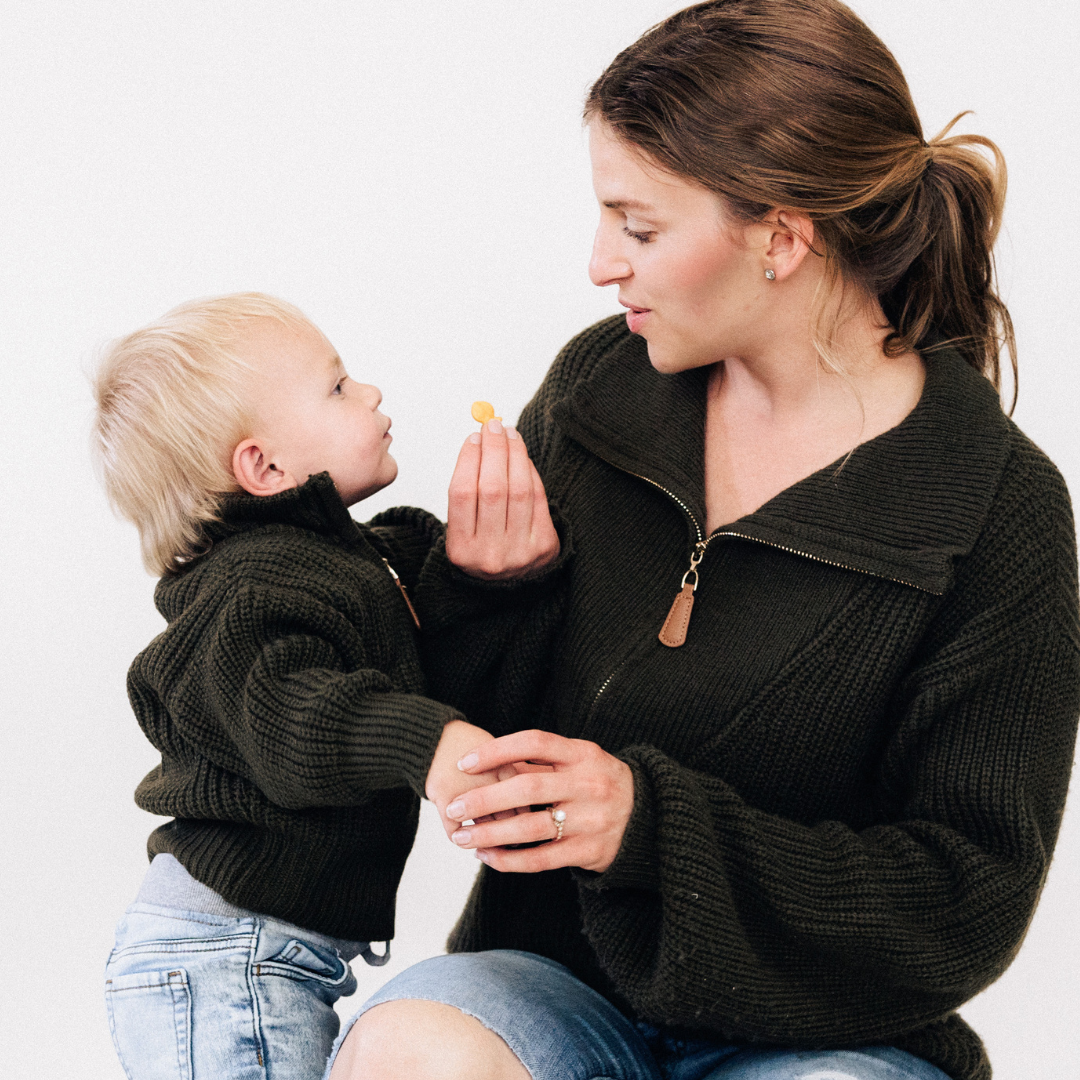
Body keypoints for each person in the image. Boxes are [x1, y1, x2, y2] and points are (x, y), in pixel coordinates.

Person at [325, 2, 1080, 1079]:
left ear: (781, 236)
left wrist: (651, 828)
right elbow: (480, 751)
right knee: (412, 1050)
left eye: (638, 228)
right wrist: (483, 591)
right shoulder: (598, 388)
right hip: (555, 983)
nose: (599, 263)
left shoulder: (995, 511)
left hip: (834, 1039)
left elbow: (966, 900)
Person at [92, 292, 559, 1080]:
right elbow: (293, 716)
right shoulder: (247, 589)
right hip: (225, 954)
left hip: (255, 952)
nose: (370, 394)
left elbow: (426, 626)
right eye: (338, 388)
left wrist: (484, 574)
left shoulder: (355, 560)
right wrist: (429, 742)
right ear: (265, 466)